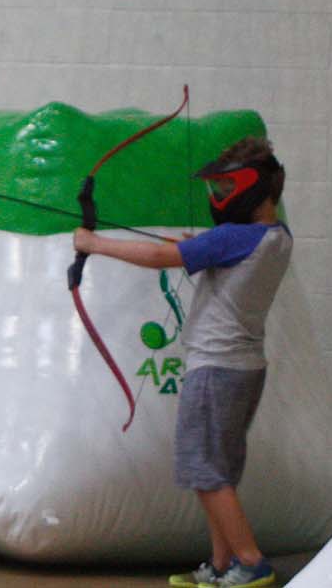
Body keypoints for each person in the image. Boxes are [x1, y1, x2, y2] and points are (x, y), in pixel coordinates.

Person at [72, 137, 290, 588]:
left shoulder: (233, 238)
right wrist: (203, 247)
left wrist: (93, 243)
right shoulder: (275, 237)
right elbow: (220, 255)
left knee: (204, 470)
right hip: (244, 368)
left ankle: (250, 562)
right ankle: (222, 564)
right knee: (217, 470)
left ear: (256, 189)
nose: (217, 197)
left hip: (216, 369)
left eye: (225, 186)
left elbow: (159, 256)